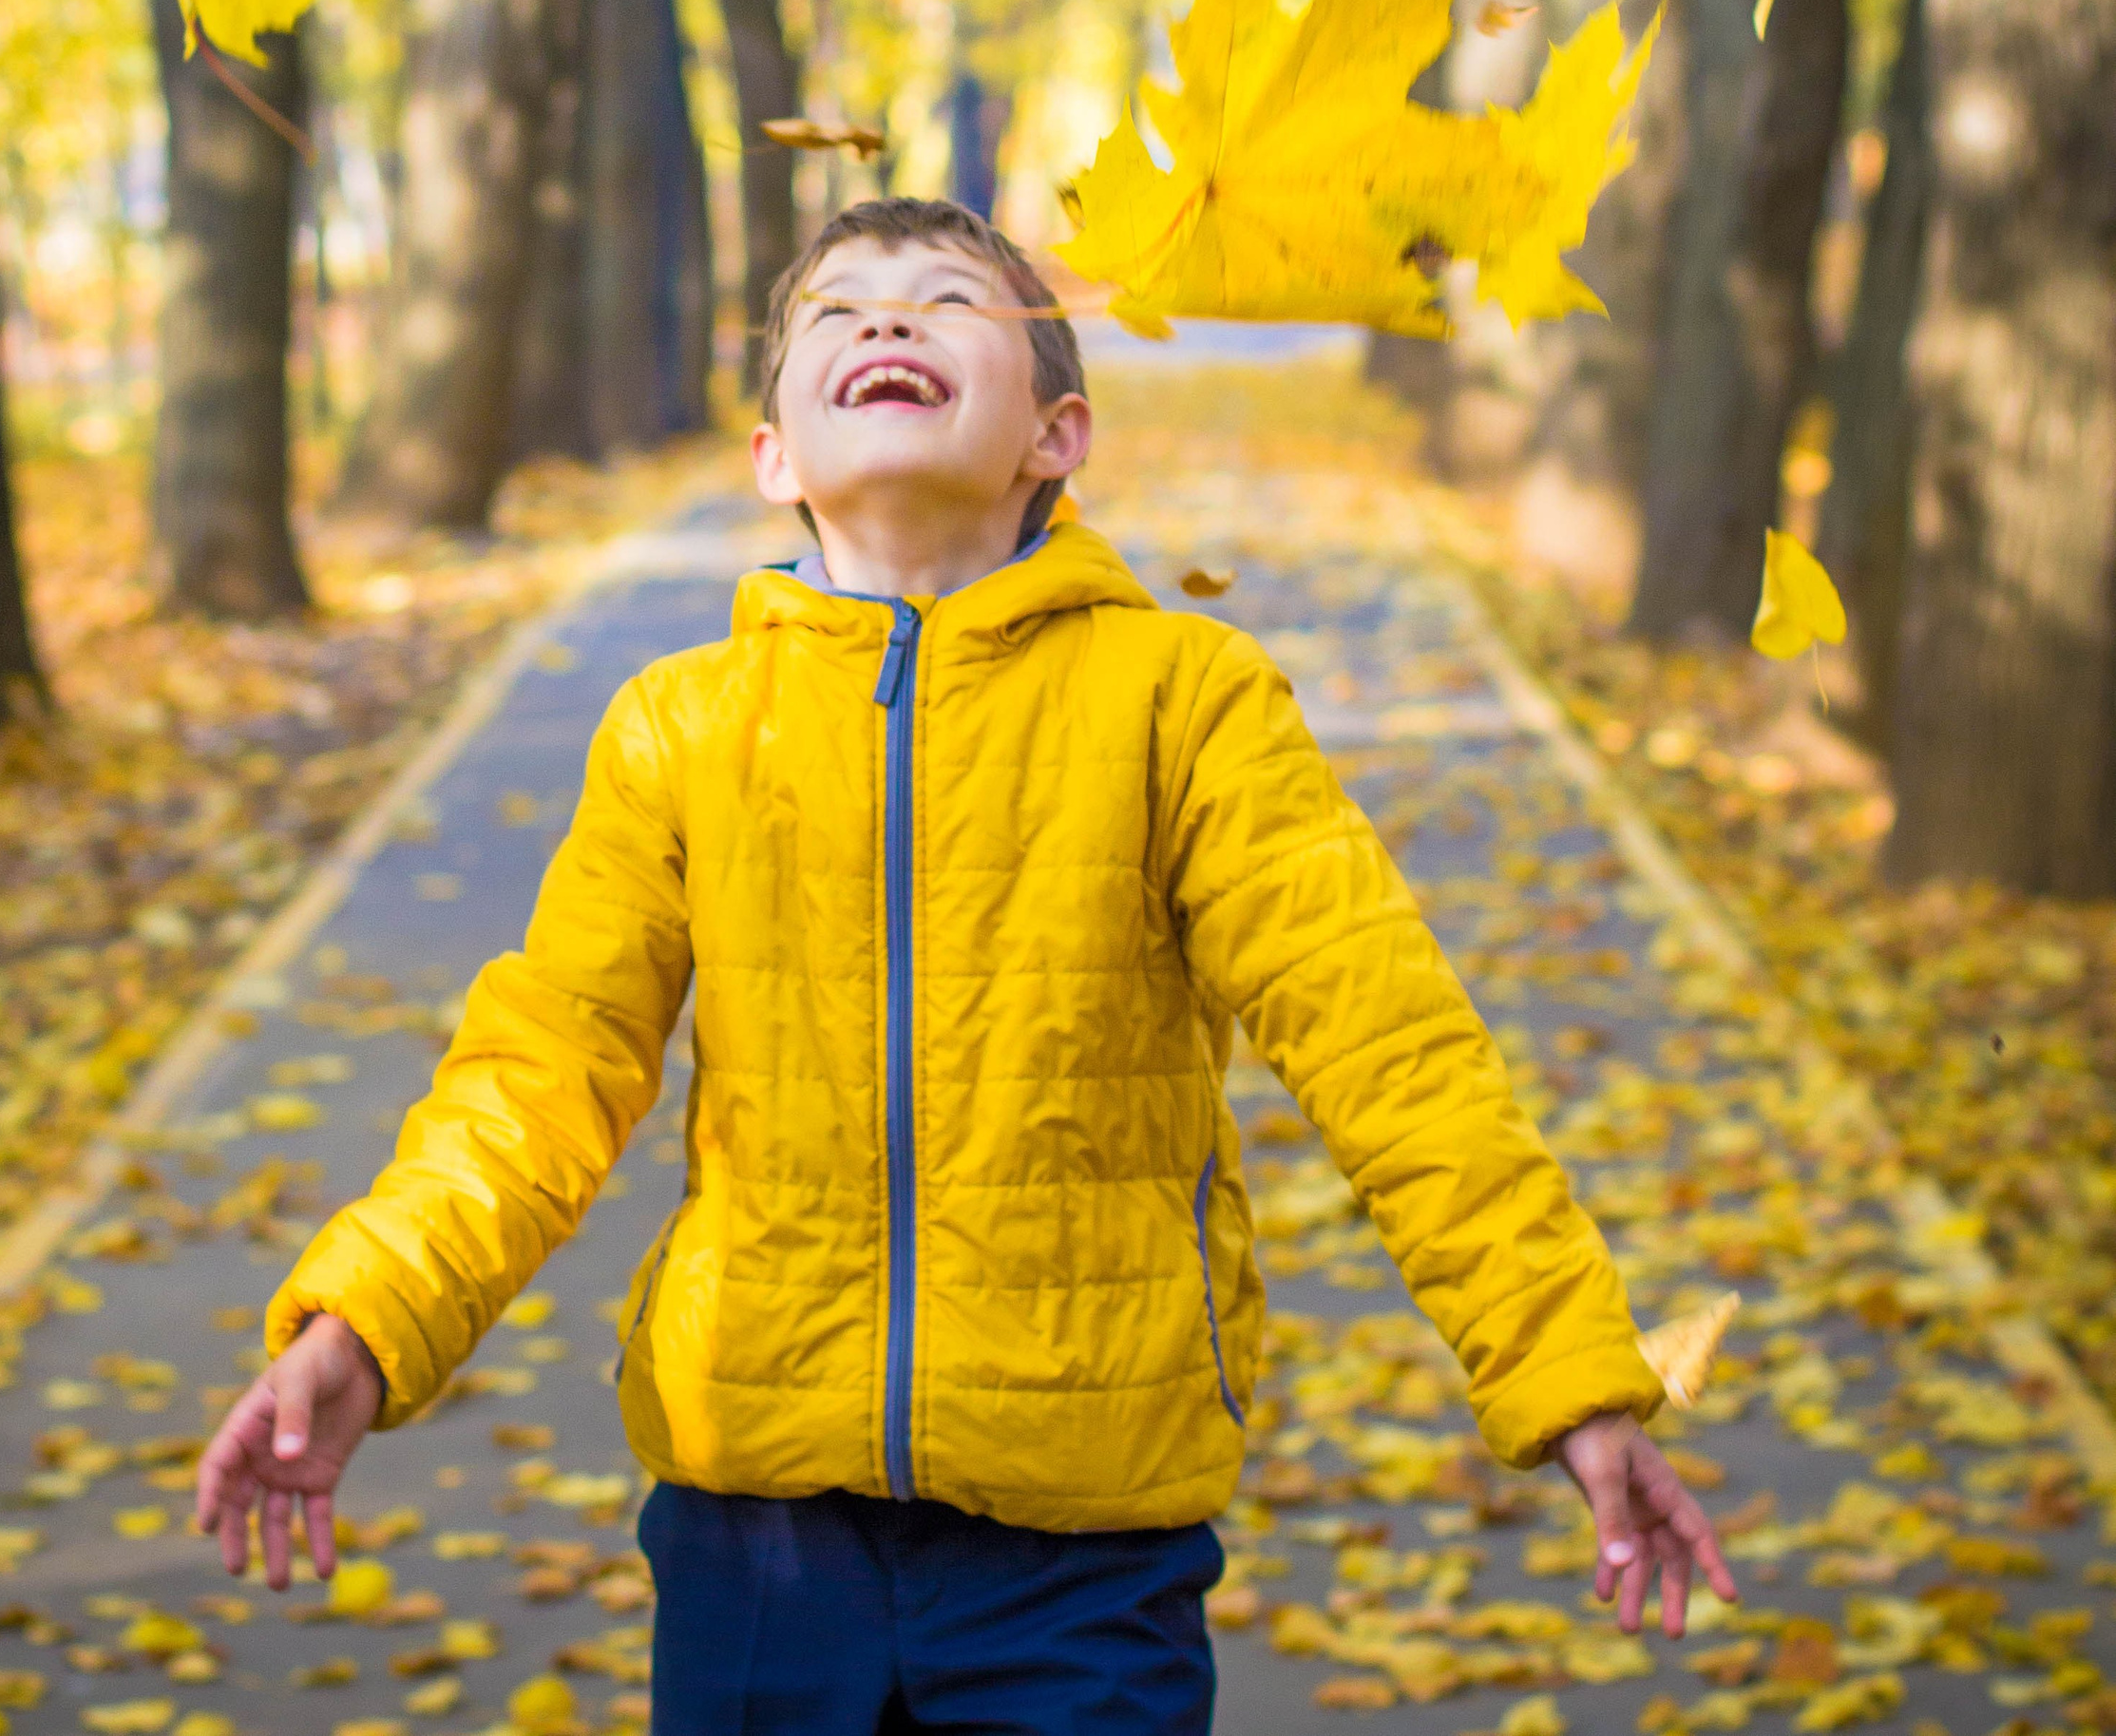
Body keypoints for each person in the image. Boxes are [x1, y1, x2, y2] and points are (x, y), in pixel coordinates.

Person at [195, 196, 1734, 1731]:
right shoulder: (684, 725)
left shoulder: (1182, 699)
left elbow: (1386, 1048)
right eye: (837, 313)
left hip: (1084, 1547)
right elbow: (541, 1072)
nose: (886, 322)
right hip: (755, 1531)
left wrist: (1570, 1373)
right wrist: (368, 1319)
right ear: (773, 459)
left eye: (946, 303)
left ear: (1057, 435)